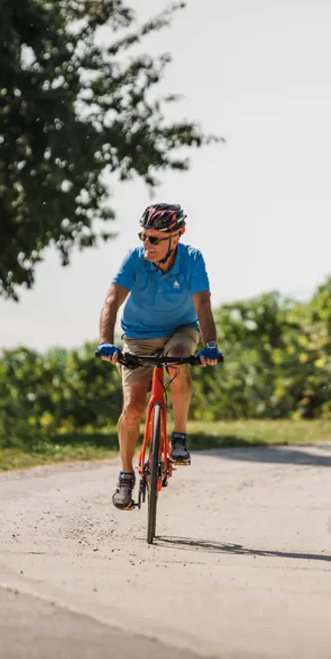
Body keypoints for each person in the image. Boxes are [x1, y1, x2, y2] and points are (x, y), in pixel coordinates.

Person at [96, 203, 222, 510]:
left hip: (180, 329)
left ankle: (179, 437)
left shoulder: (192, 260)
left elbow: (203, 304)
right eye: (144, 236)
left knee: (179, 360)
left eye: (154, 239)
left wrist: (211, 345)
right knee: (132, 407)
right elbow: (112, 301)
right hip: (137, 337)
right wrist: (105, 342)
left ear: (176, 237)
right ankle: (126, 478)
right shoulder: (135, 259)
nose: (146, 244)